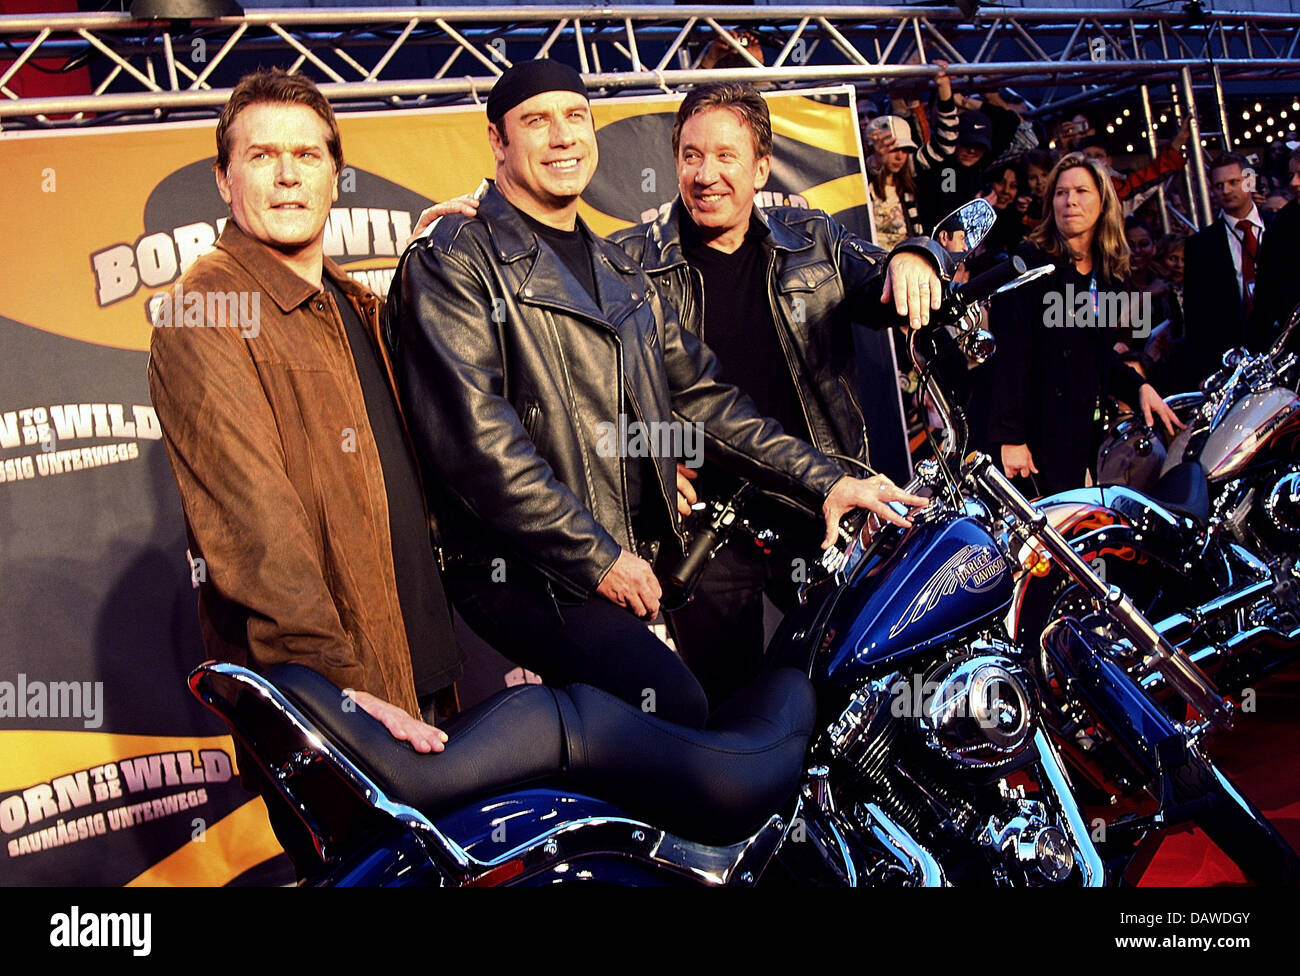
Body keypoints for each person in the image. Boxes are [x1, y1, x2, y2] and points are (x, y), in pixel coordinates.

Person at [386, 62, 935, 726]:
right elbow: (479, 445)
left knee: (792, 700)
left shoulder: (618, 271)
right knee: (679, 710)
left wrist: (826, 482)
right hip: (526, 568)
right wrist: (599, 557)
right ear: (498, 142)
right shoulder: (453, 255)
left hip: (610, 555)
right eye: (536, 121)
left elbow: (706, 401)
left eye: (575, 117)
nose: (562, 137)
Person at [147, 69, 465, 873]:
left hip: (423, 689)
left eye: (306, 154)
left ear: (335, 174)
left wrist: (454, 261)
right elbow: (261, 542)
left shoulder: (354, 306)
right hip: (340, 715)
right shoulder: (204, 311)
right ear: (224, 178)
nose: (287, 174)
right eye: (261, 155)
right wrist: (346, 701)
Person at [608, 81, 948, 706]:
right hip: (707, 531)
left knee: (856, 691)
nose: (704, 175)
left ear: (762, 166)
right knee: (732, 713)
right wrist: (642, 462)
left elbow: (887, 275)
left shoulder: (813, 238)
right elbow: (577, 367)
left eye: (724, 157)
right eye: (690, 155)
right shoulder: (629, 262)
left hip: (823, 511)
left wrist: (917, 255)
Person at [982, 152, 1183, 497]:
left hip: (1074, 435)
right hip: (1028, 438)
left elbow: (1095, 354)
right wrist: (1011, 438)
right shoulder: (1029, 263)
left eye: (1081, 191)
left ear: (1103, 202)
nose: (1070, 201)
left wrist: (1138, 387)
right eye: (1061, 193)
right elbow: (1009, 358)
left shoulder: (1106, 274)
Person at [1183, 153, 1274, 380]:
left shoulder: (1281, 226)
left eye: (1233, 182)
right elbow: (1196, 317)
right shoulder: (1200, 245)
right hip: (1232, 363)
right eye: (1219, 185)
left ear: (1249, 181)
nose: (1226, 190)